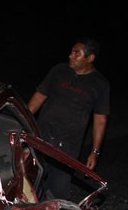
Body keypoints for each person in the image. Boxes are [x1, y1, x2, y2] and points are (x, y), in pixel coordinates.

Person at [27, 37, 110, 200]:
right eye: (72, 52)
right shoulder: (59, 71)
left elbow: (100, 120)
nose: (71, 55)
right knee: (31, 179)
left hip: (68, 144)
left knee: (58, 188)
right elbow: (39, 97)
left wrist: (95, 152)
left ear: (90, 58)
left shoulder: (100, 84)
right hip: (42, 134)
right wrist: (24, 121)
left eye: (76, 53)